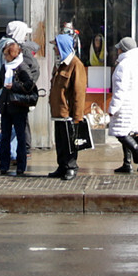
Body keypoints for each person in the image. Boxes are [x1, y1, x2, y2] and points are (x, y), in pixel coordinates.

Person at [0, 36, 40, 177]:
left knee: (20, 137)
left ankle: (21, 166)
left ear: (12, 54)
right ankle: (4, 165)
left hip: (18, 106)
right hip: (6, 105)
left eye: (7, 54)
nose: (5, 57)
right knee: (5, 137)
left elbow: (29, 84)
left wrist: (13, 86)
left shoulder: (22, 66)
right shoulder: (5, 67)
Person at [47, 33, 89, 181]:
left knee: (70, 142)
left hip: (68, 113)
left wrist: (77, 116)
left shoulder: (75, 64)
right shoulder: (60, 63)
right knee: (60, 141)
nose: (54, 50)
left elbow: (79, 93)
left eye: (56, 47)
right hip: (58, 111)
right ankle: (62, 165)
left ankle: (71, 166)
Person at [109, 35, 138, 173]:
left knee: (120, 133)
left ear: (123, 50)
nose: (117, 51)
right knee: (127, 132)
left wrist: (113, 108)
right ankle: (127, 164)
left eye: (119, 49)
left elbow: (121, 89)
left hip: (125, 105)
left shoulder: (124, 65)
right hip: (135, 104)